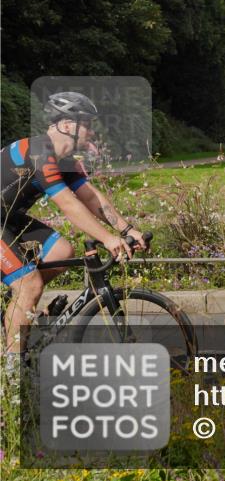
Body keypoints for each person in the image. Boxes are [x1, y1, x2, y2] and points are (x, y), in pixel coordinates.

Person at [2, 92, 144, 355]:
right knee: (29, 284)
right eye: (87, 125)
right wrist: (108, 239)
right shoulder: (40, 154)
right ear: (67, 125)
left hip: (9, 218)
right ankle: (11, 376)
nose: (91, 132)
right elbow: (69, 204)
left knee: (63, 253)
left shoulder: (65, 161)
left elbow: (90, 197)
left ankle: (17, 310)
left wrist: (126, 229)